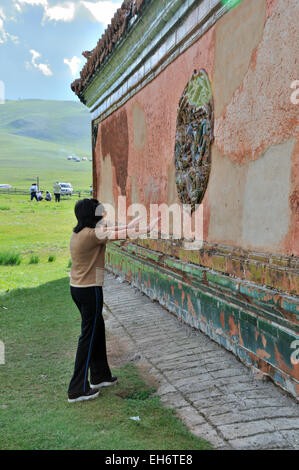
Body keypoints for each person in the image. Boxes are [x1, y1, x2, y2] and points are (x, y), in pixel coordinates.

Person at [67, 198, 160, 403]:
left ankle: (100, 376)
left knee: (96, 330)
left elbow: (119, 229)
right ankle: (77, 389)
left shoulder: (81, 232)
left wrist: (132, 224)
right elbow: (121, 235)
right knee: (88, 337)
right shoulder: (92, 235)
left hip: (78, 289)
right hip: (90, 290)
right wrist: (148, 228)